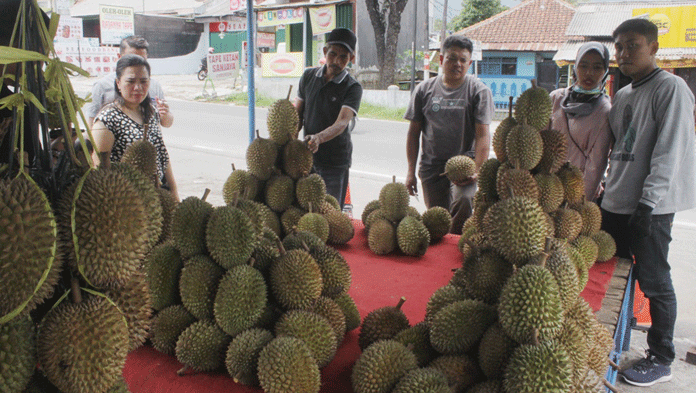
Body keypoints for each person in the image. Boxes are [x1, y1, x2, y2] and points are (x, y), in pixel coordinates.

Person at [601, 18, 696, 387]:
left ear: (654, 48)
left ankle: (661, 357)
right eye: (619, 47)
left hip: (650, 208)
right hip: (617, 201)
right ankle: (620, 340)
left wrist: (648, 205)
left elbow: (669, 151)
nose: (623, 54)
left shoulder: (670, 88)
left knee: (655, 281)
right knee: (618, 279)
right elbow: (619, 152)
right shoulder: (623, 94)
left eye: (633, 45)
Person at [404, 35, 493, 234]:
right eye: (452, 58)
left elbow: (483, 136)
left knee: (463, 202)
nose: (458, 64)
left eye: (463, 60)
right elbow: (413, 134)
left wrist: (478, 169)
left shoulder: (479, 91)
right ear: (442, 60)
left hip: (465, 166)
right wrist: (411, 171)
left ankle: (455, 251)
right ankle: (440, 257)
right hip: (431, 166)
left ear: (469, 63)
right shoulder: (423, 90)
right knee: (437, 218)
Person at [91, 54, 179, 201]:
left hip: (157, 195)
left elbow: (162, 154)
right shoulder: (107, 119)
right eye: (130, 81)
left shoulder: (150, 112)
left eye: (144, 81)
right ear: (118, 83)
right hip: (127, 200)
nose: (138, 87)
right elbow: (99, 170)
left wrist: (174, 193)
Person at [295, 28, 362, 208]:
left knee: (329, 214)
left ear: (351, 59)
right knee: (304, 210)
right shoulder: (308, 76)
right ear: (325, 52)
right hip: (307, 158)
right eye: (333, 54)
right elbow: (297, 115)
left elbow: (341, 122)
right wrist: (287, 142)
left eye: (343, 57)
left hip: (335, 162)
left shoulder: (352, 87)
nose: (337, 61)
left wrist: (318, 138)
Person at [548, 42, 613, 202]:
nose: (589, 73)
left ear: (605, 72)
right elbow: (539, 140)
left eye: (597, 67)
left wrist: (581, 202)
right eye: (583, 66)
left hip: (579, 191)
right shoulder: (556, 98)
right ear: (576, 67)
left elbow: (596, 165)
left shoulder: (605, 111)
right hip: (547, 187)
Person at [86, 35, 173, 129]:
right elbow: (92, 124)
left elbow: (166, 123)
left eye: (142, 60)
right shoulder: (102, 86)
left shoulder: (154, 85)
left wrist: (165, 113)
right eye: (131, 59)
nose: (138, 88)